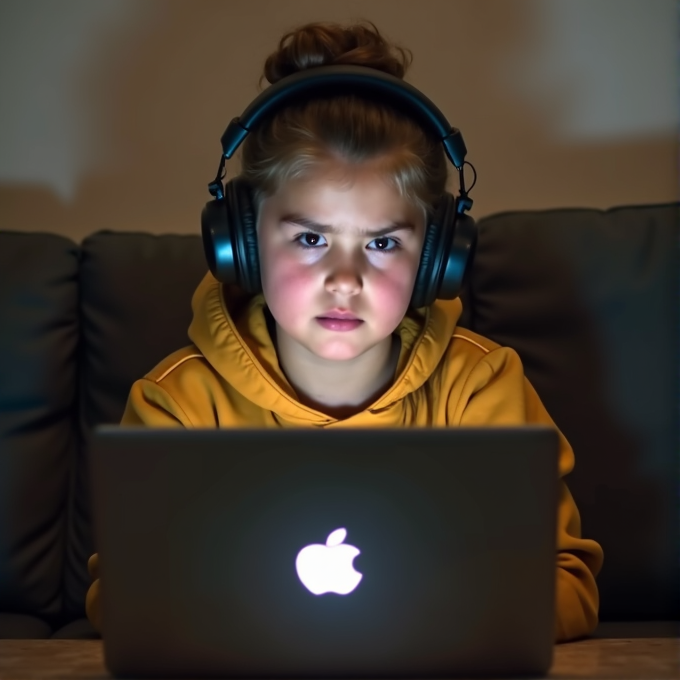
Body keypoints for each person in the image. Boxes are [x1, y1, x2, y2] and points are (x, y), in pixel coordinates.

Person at [85, 19, 603, 643]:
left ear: (437, 257)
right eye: (310, 238)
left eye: (382, 242)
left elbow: (566, 586)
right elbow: (122, 596)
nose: (345, 279)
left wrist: (410, 625)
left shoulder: (482, 386)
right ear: (240, 244)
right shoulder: (176, 403)